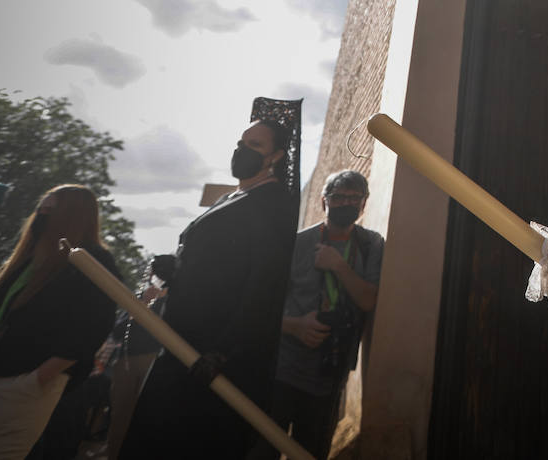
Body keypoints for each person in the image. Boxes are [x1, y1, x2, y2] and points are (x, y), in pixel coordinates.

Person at [121, 118, 297, 459]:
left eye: (255, 145)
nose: (242, 150)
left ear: (275, 156)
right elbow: (216, 269)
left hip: (212, 360)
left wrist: (225, 351)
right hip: (179, 343)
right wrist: (176, 271)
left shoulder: (273, 203)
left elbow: (264, 283)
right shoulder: (231, 197)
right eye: (242, 142)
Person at [0, 185, 119, 459]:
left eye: (51, 208)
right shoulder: (24, 260)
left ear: (73, 215)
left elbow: (92, 328)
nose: (41, 214)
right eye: (40, 208)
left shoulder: (91, 260)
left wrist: (35, 381)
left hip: (18, 389)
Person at [254, 170, 383, 459]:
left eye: (354, 198)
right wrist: (295, 326)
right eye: (338, 198)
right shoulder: (295, 244)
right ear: (324, 202)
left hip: (329, 377)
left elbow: (367, 300)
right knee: (263, 449)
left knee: (311, 452)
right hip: (281, 372)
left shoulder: (371, 244)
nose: (346, 203)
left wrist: (339, 266)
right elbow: (263, 307)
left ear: (363, 204)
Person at [105, 254, 175, 460]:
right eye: (150, 270)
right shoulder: (141, 297)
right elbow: (118, 330)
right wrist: (143, 303)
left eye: (155, 270)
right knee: (120, 418)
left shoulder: (176, 300)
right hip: (126, 363)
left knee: (146, 419)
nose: (151, 274)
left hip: (154, 362)